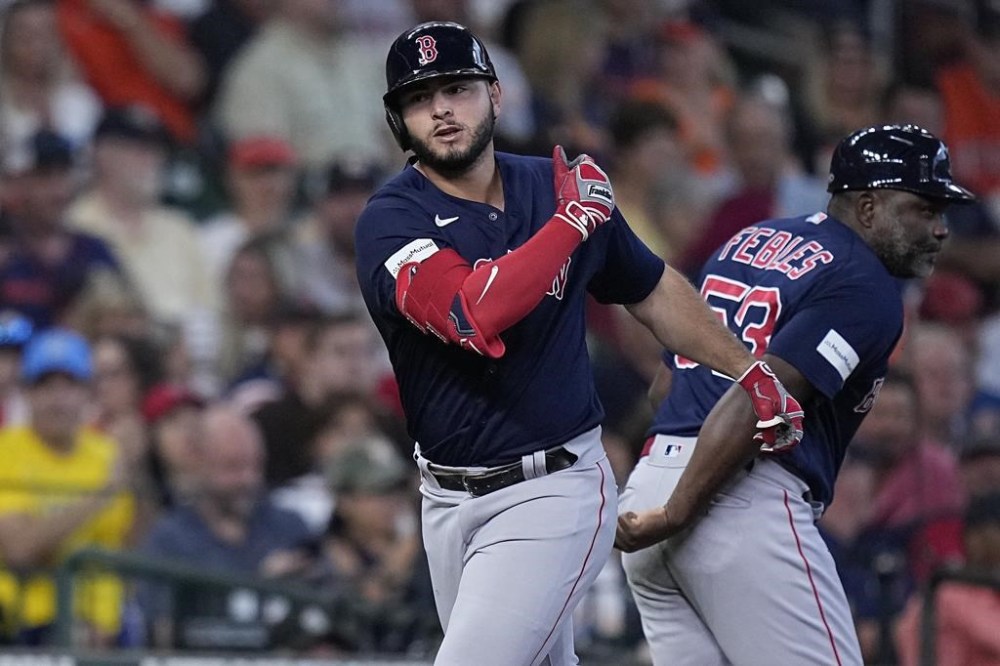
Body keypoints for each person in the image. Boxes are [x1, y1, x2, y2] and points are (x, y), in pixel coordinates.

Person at [353, 21, 803, 666]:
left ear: (497, 96)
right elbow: (471, 313)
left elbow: (650, 288)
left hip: (556, 488)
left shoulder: (550, 185)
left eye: (458, 89)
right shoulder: (391, 218)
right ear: (398, 121)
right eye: (419, 99)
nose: (442, 110)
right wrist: (571, 225)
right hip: (446, 497)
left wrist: (746, 369)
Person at [614, 123, 976, 666]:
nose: (941, 228)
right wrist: (678, 510)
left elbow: (668, 382)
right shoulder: (865, 283)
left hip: (655, 478)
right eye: (923, 208)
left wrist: (663, 495)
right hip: (730, 493)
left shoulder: (750, 241)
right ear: (870, 207)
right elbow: (761, 396)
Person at [0, 328, 134, 646]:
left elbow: (128, 544)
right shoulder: (6, 452)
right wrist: (97, 497)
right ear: (27, 393)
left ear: (88, 393)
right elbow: (20, 549)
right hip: (27, 625)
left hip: (108, 627)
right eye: (45, 386)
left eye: (69, 385)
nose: (58, 400)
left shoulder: (108, 452)